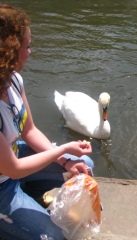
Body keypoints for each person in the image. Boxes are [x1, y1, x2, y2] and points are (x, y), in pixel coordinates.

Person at [0, 4, 94, 240]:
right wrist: (61, 150)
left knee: (82, 163)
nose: (30, 53)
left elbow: (29, 130)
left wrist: (65, 161)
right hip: (3, 181)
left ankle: (28, 195)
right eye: (27, 47)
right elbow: (12, 168)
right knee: (55, 237)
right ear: (8, 52)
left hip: (13, 164)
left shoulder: (14, 81)